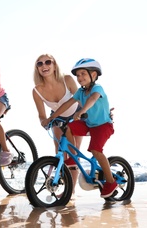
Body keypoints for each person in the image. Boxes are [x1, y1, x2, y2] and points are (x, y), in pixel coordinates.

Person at [42, 58, 117, 198]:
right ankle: (72, 155)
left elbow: (92, 99)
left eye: (83, 74)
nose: (79, 77)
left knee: (96, 150)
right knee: (69, 127)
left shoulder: (97, 88)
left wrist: (81, 111)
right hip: (89, 124)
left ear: (93, 75)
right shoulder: (80, 92)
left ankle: (111, 182)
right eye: (78, 75)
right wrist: (51, 118)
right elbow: (66, 104)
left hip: (103, 126)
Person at [32, 54, 83, 195]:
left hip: (76, 115)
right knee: (59, 152)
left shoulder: (67, 80)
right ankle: (65, 185)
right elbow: (41, 115)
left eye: (48, 62)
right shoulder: (37, 91)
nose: (44, 66)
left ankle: (70, 191)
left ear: (54, 65)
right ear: (37, 68)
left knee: (73, 153)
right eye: (40, 64)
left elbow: (82, 99)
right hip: (57, 117)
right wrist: (44, 122)